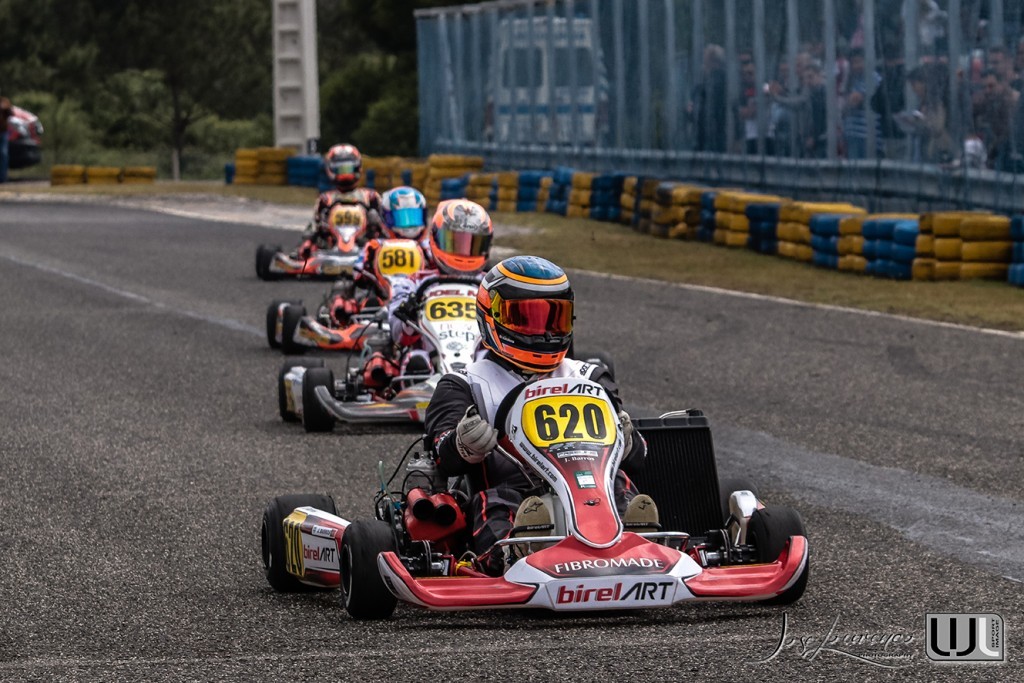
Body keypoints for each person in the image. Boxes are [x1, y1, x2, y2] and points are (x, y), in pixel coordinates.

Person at [423, 255, 657, 576]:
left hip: (590, 485)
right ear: (491, 317)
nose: (543, 333)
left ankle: (640, 540)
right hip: (515, 489)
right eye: (526, 319)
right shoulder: (466, 383)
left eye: (553, 319)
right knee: (495, 501)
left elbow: (639, 459)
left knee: (620, 484)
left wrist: (628, 440)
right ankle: (513, 552)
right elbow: (442, 457)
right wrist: (463, 444)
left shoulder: (589, 376)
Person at [362, 199, 495, 389]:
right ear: (435, 239)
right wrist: (409, 311)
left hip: (478, 361)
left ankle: (484, 385)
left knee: (492, 359)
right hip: (427, 359)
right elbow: (399, 334)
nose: (463, 253)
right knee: (416, 358)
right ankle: (419, 384)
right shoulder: (413, 281)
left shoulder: (491, 284)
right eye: (455, 243)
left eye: (471, 245)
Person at [298, 144, 383, 258]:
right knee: (310, 238)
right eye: (340, 169)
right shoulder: (325, 199)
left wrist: (374, 222)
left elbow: (384, 227)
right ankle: (306, 255)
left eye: (348, 168)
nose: (345, 173)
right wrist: (310, 239)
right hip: (331, 248)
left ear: (357, 167)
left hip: (366, 246)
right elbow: (315, 225)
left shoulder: (370, 196)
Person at [0, 96, 12, 184]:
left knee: (3, 153)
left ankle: (3, 177)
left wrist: (6, 108)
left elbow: (11, 113)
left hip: (3, 132)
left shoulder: (4, 101)